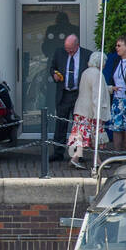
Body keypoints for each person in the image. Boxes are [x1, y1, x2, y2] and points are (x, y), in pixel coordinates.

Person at [49, 33, 92, 161]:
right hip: (64, 93)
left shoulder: (87, 55)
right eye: (67, 49)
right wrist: (54, 75)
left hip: (80, 94)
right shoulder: (59, 53)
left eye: (71, 50)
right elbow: (52, 67)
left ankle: (76, 155)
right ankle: (58, 152)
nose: (69, 52)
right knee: (60, 123)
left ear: (77, 45)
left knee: (78, 126)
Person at [67, 51, 109, 169]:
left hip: (81, 109)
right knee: (89, 137)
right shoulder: (97, 74)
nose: (105, 64)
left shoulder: (86, 72)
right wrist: (98, 115)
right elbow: (97, 96)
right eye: (104, 62)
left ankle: (96, 161)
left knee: (82, 136)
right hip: (91, 112)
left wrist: (110, 88)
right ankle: (78, 158)